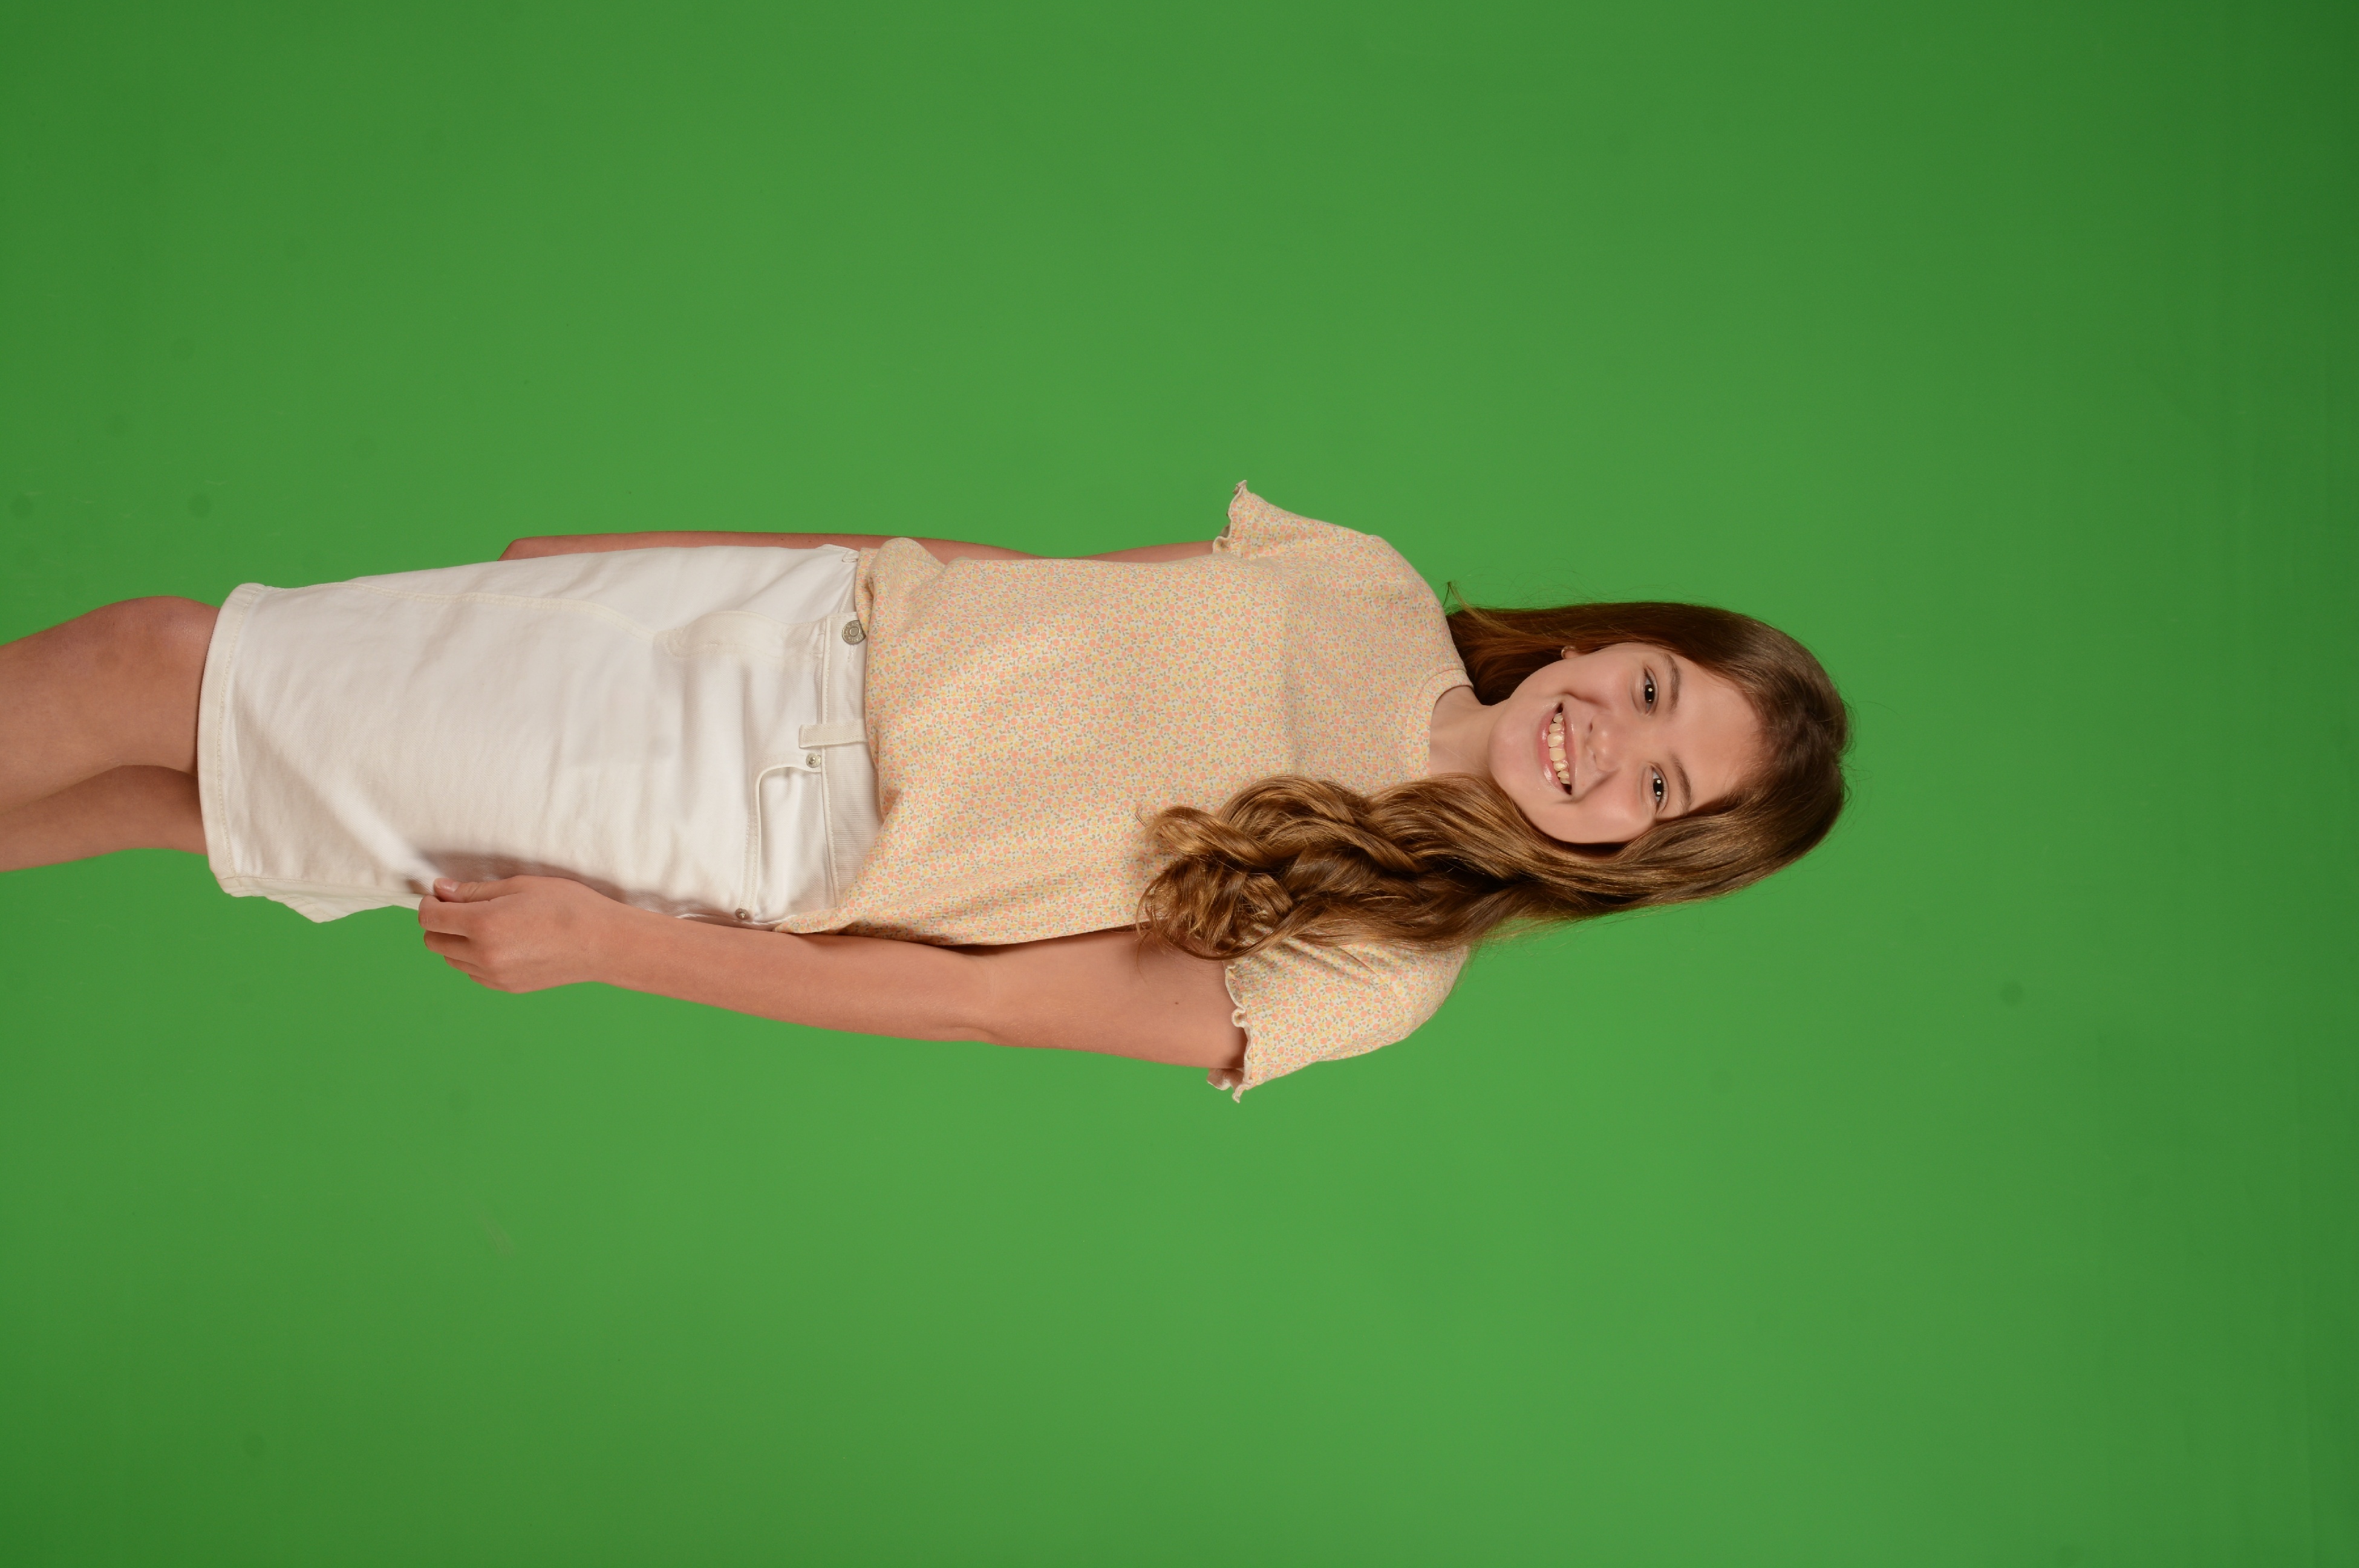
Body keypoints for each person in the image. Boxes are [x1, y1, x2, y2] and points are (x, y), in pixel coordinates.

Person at [0, 484, 1849, 1096]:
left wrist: (616, 944)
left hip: (747, 808)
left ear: (1640, 857)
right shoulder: (1357, 578)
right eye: (1651, 687)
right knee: (195, 791)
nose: (1606, 739)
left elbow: (974, 1003)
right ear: (1618, 640)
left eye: (1659, 785)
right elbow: (994, 574)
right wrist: (671, 549)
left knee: (167, 664)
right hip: (774, 621)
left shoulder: (1383, 967)